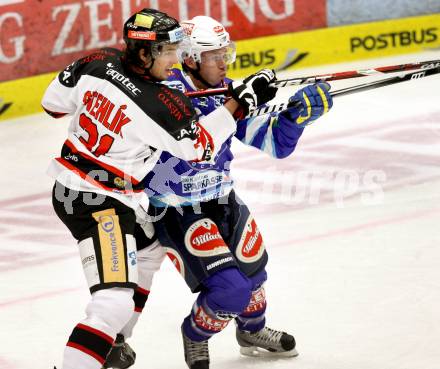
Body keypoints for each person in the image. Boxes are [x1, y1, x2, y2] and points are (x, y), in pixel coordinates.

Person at [41, 8, 277, 369]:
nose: (175, 59)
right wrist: (239, 104)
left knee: (149, 252)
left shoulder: (96, 60)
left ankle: (113, 345)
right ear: (143, 53)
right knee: (113, 302)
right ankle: (94, 353)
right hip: (96, 199)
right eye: (168, 52)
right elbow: (199, 147)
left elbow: (53, 104)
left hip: (89, 187)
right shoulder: (156, 103)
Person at [139, 16, 333, 369]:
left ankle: (251, 331)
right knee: (230, 290)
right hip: (178, 209)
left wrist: (296, 118)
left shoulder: (226, 91)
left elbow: (273, 141)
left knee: (254, 274)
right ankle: (195, 335)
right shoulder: (165, 91)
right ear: (191, 58)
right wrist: (230, 104)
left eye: (226, 53)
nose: (224, 63)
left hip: (223, 199)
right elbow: (188, 130)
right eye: (215, 56)